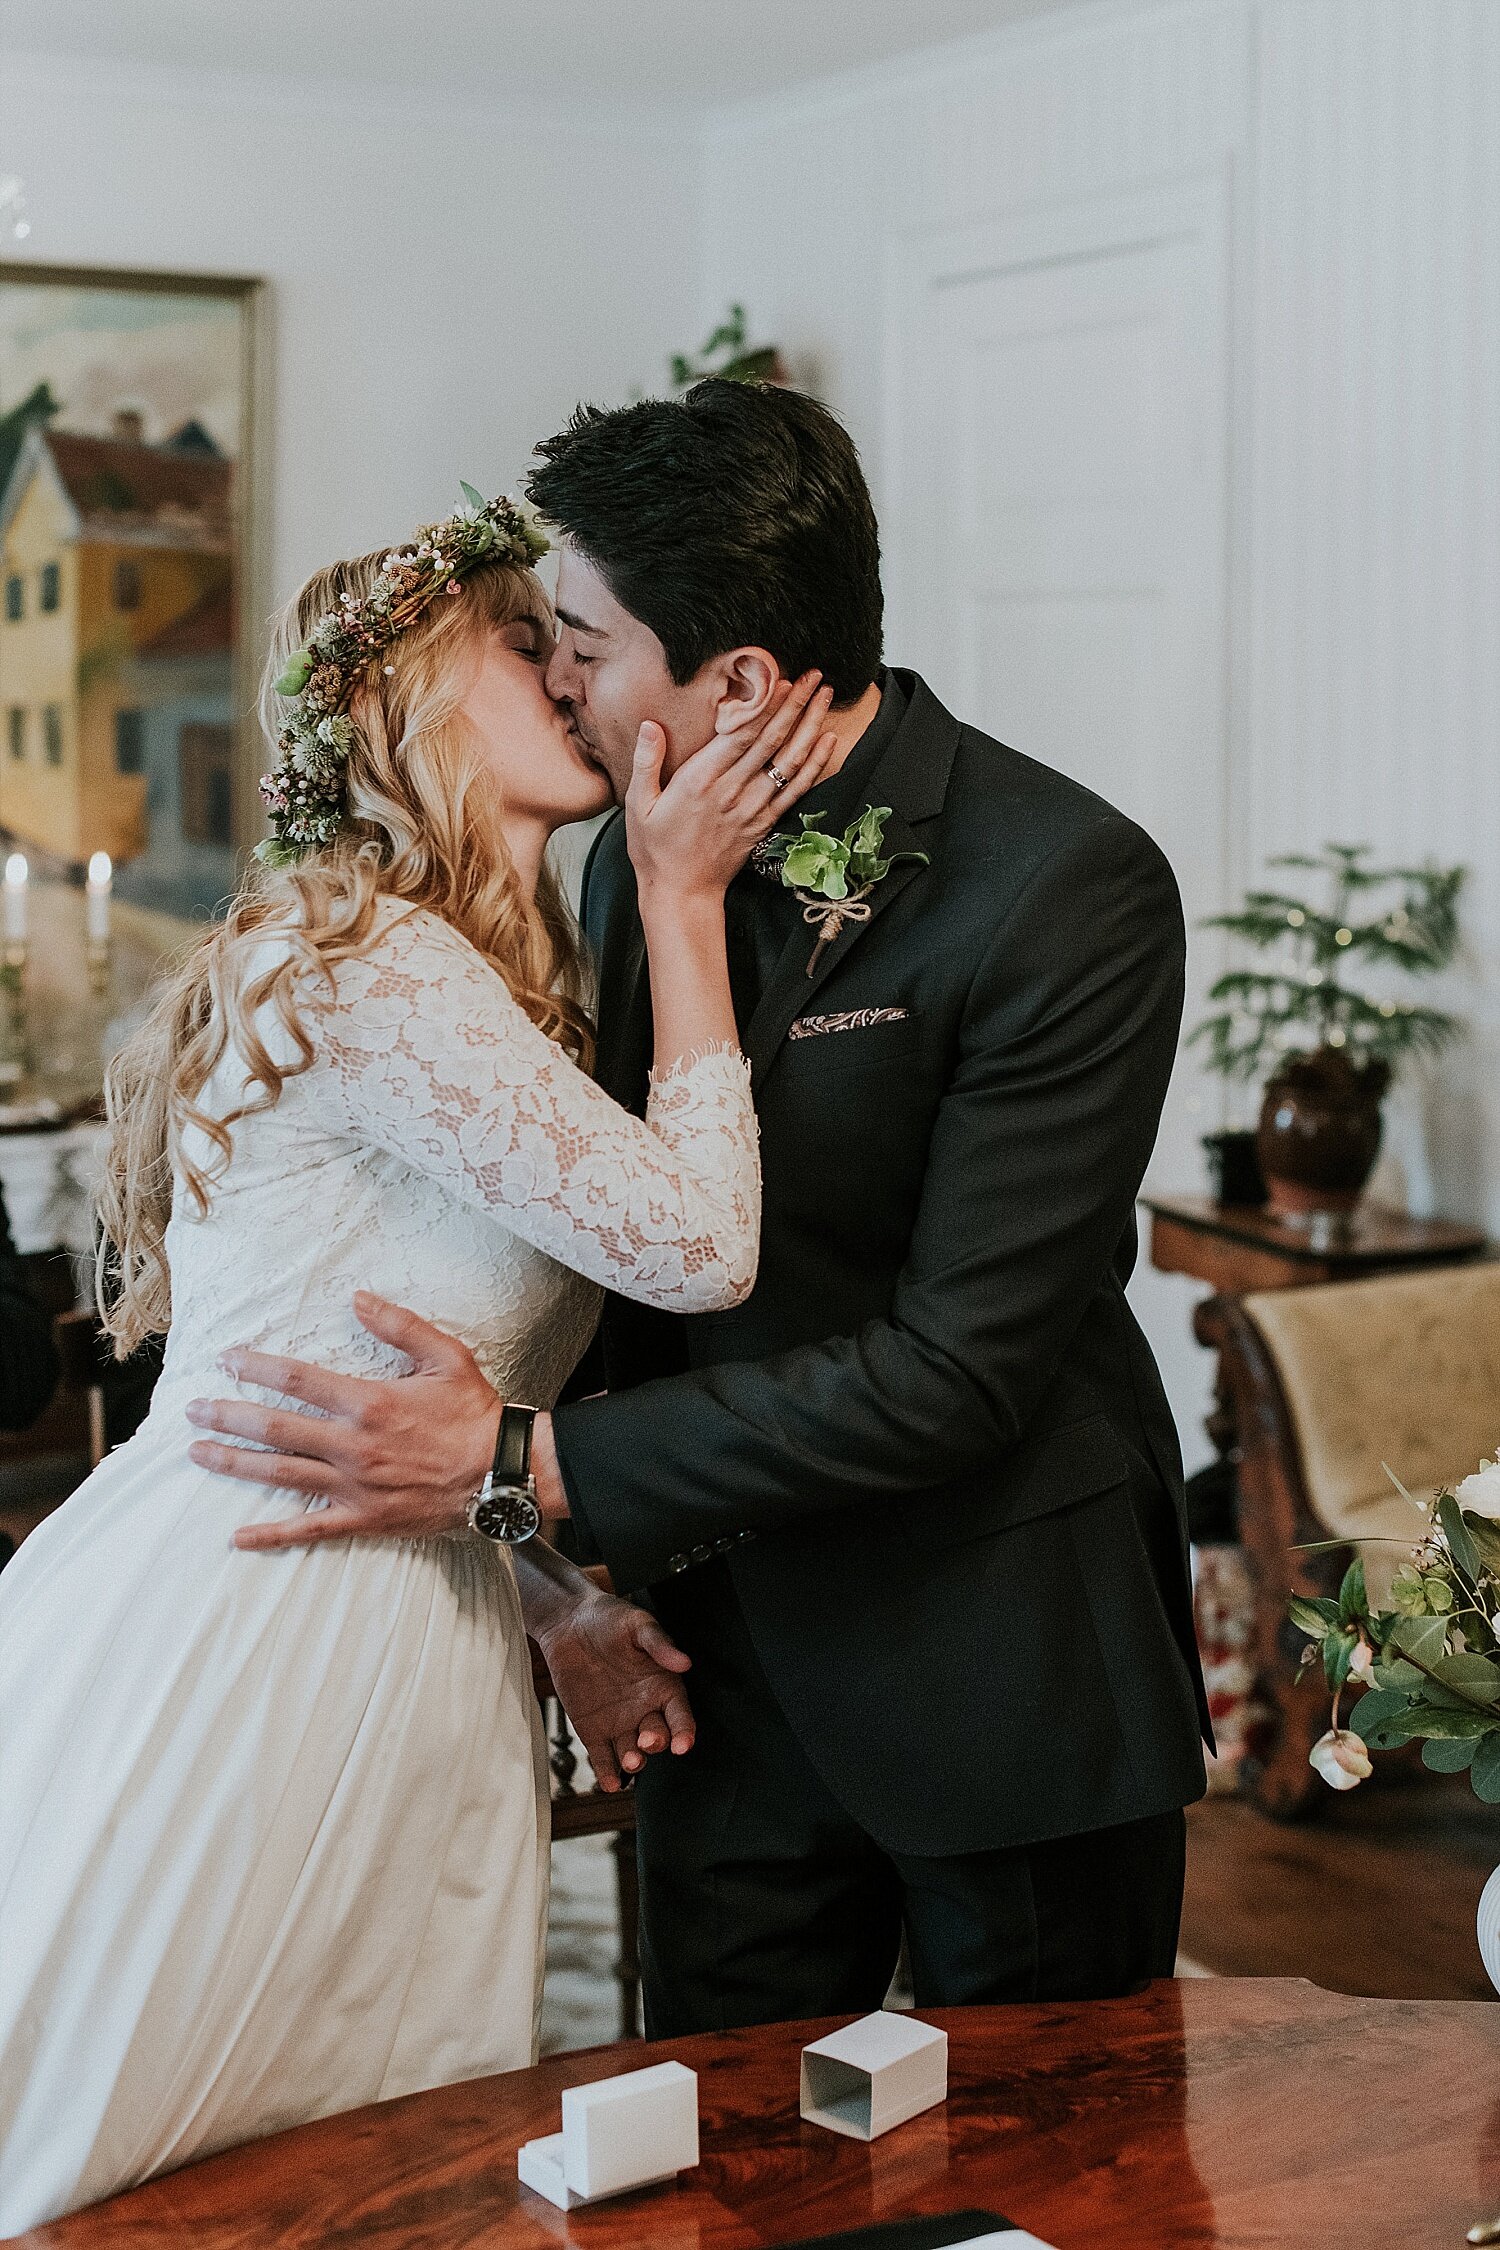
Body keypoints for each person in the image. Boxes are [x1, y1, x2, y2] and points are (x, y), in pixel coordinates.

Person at [192, 383, 1213, 2038]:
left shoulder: (1068, 886)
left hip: (997, 1667)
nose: (559, 677)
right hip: (707, 1680)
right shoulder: (622, 861)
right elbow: (614, 1263)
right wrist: (562, 1582)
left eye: (582, 641)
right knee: (713, 2173)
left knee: (1055, 2183)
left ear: (738, 680)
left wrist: (525, 1464)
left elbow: (960, 1368)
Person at [0, 488, 837, 2232]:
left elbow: (394, 1412)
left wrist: (550, 1602)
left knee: (364, 2168)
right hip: (255, 1641)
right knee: (172, 2145)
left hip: (413, 1631)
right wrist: (687, 902)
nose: (563, 662)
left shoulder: (472, 979)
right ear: (394, 709)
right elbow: (700, 1244)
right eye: (516, 641)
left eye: (566, 639)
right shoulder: (370, 960)